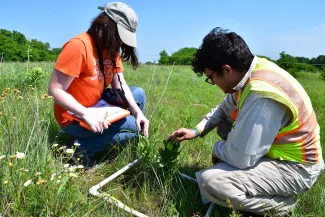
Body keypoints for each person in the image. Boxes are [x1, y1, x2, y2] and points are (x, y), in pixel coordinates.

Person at [168, 27, 324, 216]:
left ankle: (284, 205)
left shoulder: (260, 96)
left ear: (226, 70)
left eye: (211, 78)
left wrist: (218, 148)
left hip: (296, 168)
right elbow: (224, 109)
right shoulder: (250, 72)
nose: (213, 83)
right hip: (279, 156)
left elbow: (242, 158)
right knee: (223, 142)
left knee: (212, 183)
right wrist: (197, 130)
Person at [48, 2, 149, 168]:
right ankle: (77, 148)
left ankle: (128, 136)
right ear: (108, 27)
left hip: (98, 105)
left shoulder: (110, 48)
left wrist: (138, 113)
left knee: (139, 94)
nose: (121, 43)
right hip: (75, 116)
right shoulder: (78, 46)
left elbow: (120, 85)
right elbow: (55, 90)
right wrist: (85, 113)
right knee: (133, 129)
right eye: (120, 36)